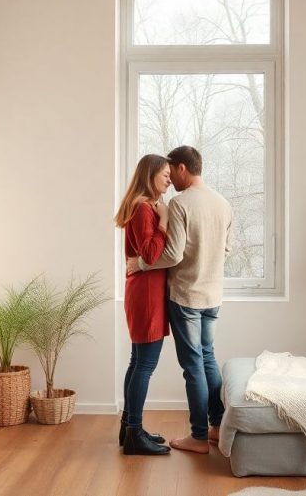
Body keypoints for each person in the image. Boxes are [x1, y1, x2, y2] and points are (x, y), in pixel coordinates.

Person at [127, 145, 232, 454]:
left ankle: (198, 436)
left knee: (193, 365)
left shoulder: (180, 203)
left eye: (171, 171)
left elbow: (172, 255)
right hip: (213, 295)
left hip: (186, 295)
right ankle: (217, 427)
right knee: (208, 357)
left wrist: (141, 264)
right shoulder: (223, 203)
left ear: (182, 168)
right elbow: (226, 250)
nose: (170, 179)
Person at [114, 154, 173, 456]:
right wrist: (164, 221)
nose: (169, 180)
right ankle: (134, 434)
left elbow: (145, 255)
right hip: (147, 295)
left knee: (137, 362)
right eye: (165, 174)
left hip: (143, 292)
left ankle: (129, 427)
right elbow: (150, 254)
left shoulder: (143, 207)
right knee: (145, 364)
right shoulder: (143, 209)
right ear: (150, 175)